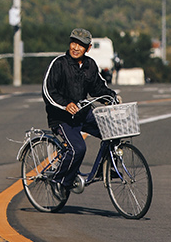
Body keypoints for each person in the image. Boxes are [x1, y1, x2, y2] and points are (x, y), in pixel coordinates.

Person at [42, 28, 117, 199]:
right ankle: (60, 180)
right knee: (78, 148)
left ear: (88, 48)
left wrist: (110, 97)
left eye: (81, 45)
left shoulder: (90, 65)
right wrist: (65, 105)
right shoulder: (59, 64)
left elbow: (98, 87)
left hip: (83, 114)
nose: (76, 48)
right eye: (73, 43)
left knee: (113, 131)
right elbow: (48, 91)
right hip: (61, 118)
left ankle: (107, 169)